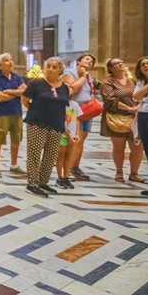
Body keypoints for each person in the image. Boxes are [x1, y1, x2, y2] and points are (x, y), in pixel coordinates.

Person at [22, 56, 71, 197]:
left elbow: (65, 104)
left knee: (50, 155)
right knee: (35, 154)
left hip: (56, 124)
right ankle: (32, 183)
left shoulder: (64, 87)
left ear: (60, 70)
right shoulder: (36, 83)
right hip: (37, 122)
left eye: (54, 67)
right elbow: (24, 100)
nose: (50, 69)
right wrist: (36, 111)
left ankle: (43, 182)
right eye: (48, 66)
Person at [100, 58, 145, 183]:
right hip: (116, 117)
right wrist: (129, 108)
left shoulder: (133, 80)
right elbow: (110, 100)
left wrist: (138, 107)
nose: (120, 64)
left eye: (121, 62)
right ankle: (119, 172)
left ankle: (134, 173)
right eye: (116, 63)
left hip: (135, 117)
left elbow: (142, 95)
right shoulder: (108, 82)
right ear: (110, 68)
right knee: (119, 146)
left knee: (137, 146)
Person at [0, 53, 27, 178]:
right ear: (0, 64)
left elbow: (25, 91)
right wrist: (17, 93)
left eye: (11, 60)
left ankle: (14, 165)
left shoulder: (16, 77)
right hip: (2, 113)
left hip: (17, 112)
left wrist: (9, 91)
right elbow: (1, 97)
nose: (10, 62)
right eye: (7, 60)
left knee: (16, 139)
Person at [61, 54, 97, 181]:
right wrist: (82, 77)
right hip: (74, 110)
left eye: (91, 61)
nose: (89, 61)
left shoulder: (89, 76)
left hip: (86, 111)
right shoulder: (70, 72)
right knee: (75, 139)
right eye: (87, 59)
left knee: (81, 140)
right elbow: (72, 89)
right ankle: (68, 169)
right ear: (78, 61)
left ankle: (75, 166)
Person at [132, 57, 148, 197]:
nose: (146, 66)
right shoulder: (141, 83)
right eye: (143, 64)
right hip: (145, 117)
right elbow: (136, 97)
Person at [56, 97, 81, 189]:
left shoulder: (75, 104)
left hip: (73, 135)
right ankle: (59, 178)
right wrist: (68, 135)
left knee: (68, 157)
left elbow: (78, 119)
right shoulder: (60, 104)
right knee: (60, 156)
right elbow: (61, 122)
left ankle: (66, 176)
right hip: (62, 135)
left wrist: (77, 134)